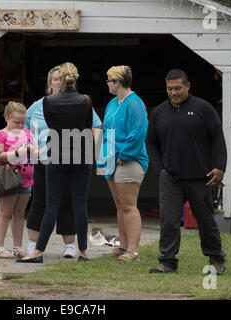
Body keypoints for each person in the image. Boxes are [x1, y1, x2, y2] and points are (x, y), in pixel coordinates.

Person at [146, 69, 227, 274]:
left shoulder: (203, 108)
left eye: (178, 88)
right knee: (169, 220)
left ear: (188, 86)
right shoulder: (159, 112)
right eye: (169, 89)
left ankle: (216, 259)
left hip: (201, 177)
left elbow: (218, 138)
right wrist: (160, 169)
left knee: (205, 221)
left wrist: (220, 167)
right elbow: (151, 143)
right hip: (170, 176)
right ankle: (167, 261)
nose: (173, 93)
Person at [17, 62, 93, 263]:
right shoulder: (86, 100)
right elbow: (88, 125)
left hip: (56, 153)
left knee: (50, 205)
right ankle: (83, 252)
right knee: (80, 205)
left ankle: (38, 251)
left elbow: (52, 125)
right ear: (76, 79)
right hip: (80, 153)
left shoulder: (48, 101)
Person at [97, 66, 149, 261]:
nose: (108, 84)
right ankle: (123, 247)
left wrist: (125, 155)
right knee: (119, 205)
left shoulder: (135, 103)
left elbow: (139, 130)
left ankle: (133, 250)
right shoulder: (113, 103)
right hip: (110, 159)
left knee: (129, 205)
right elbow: (106, 129)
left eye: (109, 81)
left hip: (129, 160)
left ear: (117, 82)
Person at [0, 102, 39, 259]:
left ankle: (17, 248)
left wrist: (34, 150)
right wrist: (17, 152)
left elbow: (37, 151)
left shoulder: (28, 134)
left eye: (22, 122)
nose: (20, 125)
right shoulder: (1, 135)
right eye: (16, 122)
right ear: (7, 118)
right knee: (5, 212)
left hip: (26, 179)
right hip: (8, 179)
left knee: (19, 214)